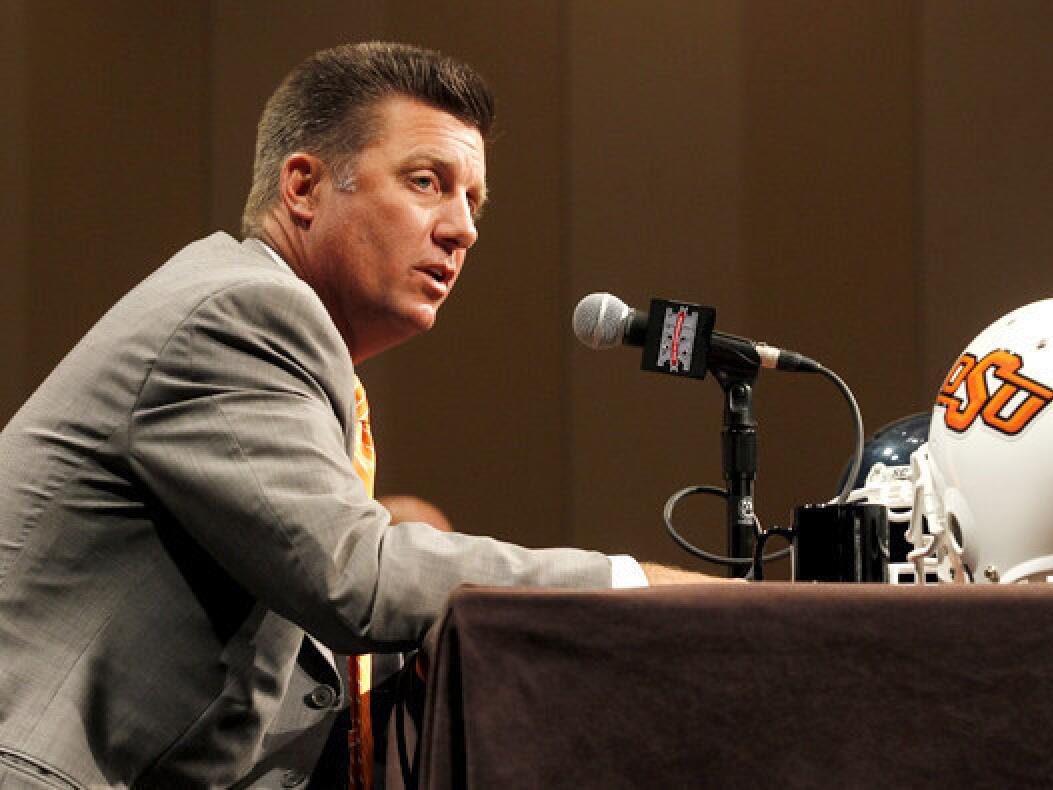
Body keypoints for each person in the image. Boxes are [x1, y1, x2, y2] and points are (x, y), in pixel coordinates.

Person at [0, 42, 712, 789]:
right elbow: (354, 578)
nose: (462, 228)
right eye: (427, 182)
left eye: (474, 201)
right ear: (304, 186)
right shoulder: (243, 312)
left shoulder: (272, 336)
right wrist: (641, 590)